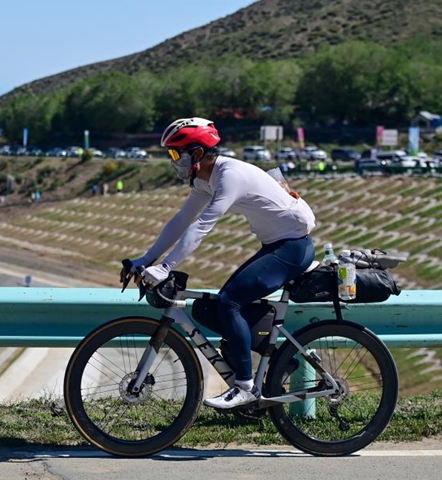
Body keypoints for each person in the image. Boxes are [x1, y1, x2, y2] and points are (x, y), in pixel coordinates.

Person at [122, 117, 316, 409]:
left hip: (292, 247)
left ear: (197, 154)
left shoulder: (229, 176)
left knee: (229, 303)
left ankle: (245, 387)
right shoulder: (205, 179)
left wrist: (164, 268)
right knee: (206, 309)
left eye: (177, 154)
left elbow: (201, 227)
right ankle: (277, 362)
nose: (173, 160)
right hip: (277, 244)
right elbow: (182, 220)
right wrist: (146, 259)